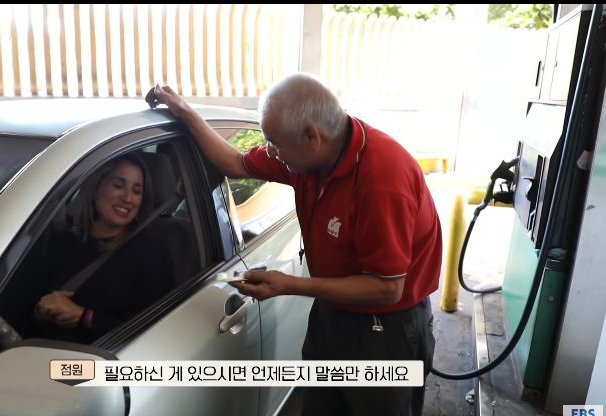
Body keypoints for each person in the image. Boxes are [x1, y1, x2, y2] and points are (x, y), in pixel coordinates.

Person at [151, 73, 442, 416]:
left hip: (387, 328)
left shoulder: (381, 179)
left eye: (274, 141)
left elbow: (387, 289)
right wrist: (185, 111)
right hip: (333, 312)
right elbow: (234, 163)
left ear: (311, 136)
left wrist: (289, 285)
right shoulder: (307, 156)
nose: (270, 150)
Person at [30, 153, 175, 344]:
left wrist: (85, 316)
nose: (128, 198)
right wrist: (41, 310)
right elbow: (23, 301)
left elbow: (155, 328)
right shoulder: (58, 239)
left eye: (137, 191)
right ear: (96, 186)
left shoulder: (152, 252)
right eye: (117, 185)